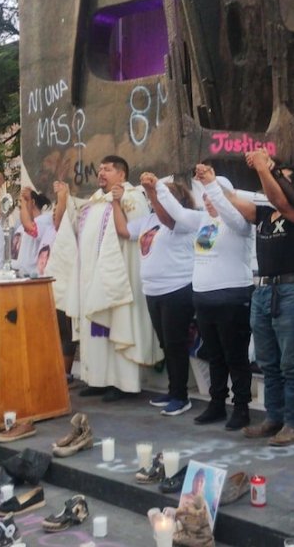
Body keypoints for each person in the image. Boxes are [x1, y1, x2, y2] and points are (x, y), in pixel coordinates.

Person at [218, 150, 294, 446]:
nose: (273, 183)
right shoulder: (262, 214)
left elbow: (280, 199)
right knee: (268, 361)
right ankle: (274, 418)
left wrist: (264, 168)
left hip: (289, 290)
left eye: (281, 179)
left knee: (290, 363)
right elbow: (232, 201)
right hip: (261, 290)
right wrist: (211, 183)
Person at [153, 163, 254, 430]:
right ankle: (217, 403)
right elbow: (177, 212)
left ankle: (241, 407)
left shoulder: (239, 223)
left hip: (232, 299)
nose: (208, 200)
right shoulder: (202, 221)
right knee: (215, 356)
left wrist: (212, 185)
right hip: (204, 299)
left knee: (236, 357)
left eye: (213, 195)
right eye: (205, 196)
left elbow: (230, 211)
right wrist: (157, 188)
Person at [54, 155, 157, 401]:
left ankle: (122, 384)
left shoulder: (132, 198)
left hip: (119, 280)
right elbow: (74, 218)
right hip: (92, 279)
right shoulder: (95, 201)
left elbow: (134, 234)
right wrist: (64, 198)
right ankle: (98, 380)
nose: (101, 173)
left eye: (107, 169)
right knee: (96, 332)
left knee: (116, 326)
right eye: (99, 169)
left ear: (122, 174)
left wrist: (117, 202)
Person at [111, 175, 195, 416]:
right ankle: (173, 390)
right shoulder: (149, 219)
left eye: (159, 194)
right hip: (153, 290)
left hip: (177, 288)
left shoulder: (182, 220)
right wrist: (116, 203)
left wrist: (155, 191)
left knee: (175, 343)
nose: (152, 198)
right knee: (165, 343)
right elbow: (124, 230)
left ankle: (181, 396)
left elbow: (168, 219)